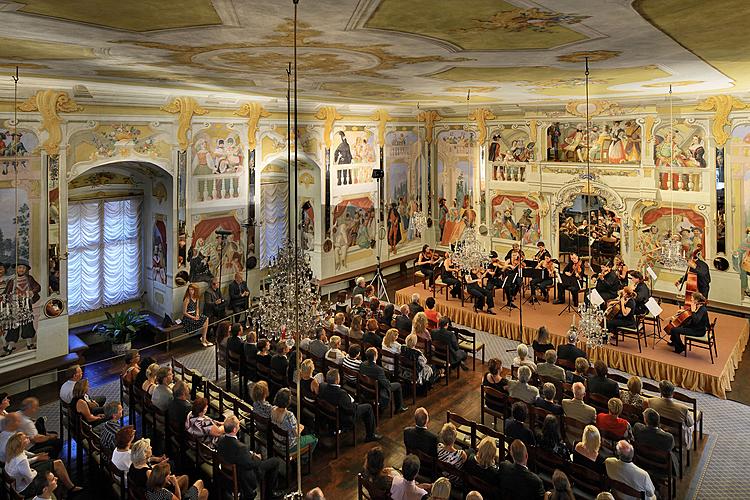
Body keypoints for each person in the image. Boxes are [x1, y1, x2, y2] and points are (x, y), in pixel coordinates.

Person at [215, 416, 284, 499]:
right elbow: (251, 464)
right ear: (234, 430)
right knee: (275, 461)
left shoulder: (221, 439)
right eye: (238, 425)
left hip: (227, 472)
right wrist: (258, 458)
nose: (239, 426)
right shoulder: (241, 447)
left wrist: (250, 455)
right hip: (243, 475)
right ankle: (271, 492)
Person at [4, 432, 81, 497]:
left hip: (20, 484)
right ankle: (70, 488)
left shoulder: (13, 451)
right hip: (27, 488)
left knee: (54, 464)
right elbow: (30, 477)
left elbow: (26, 459)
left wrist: (37, 457)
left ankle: (64, 489)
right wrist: (34, 471)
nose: (28, 437)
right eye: (25, 438)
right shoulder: (21, 460)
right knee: (58, 464)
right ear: (21, 443)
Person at [318, 369, 381, 442]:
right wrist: (355, 404)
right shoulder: (341, 393)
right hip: (344, 418)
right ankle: (370, 435)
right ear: (337, 380)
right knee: (368, 407)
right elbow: (351, 410)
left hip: (330, 416)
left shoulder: (322, 386)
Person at [360, 347, 408, 413]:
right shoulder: (379, 369)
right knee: (398, 385)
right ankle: (399, 407)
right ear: (375, 356)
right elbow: (386, 384)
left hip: (367, 389)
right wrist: (388, 381)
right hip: (377, 390)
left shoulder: (362, 364)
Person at [271, 388, 318, 455]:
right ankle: (304, 459)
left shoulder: (272, 409)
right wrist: (301, 428)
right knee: (314, 439)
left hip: (276, 442)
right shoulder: (289, 415)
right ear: (287, 401)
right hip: (290, 446)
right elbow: (297, 435)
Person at [647, 379, 694, 446]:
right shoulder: (683, 409)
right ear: (673, 393)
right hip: (677, 435)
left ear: (660, 391)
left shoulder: (651, 401)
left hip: (660, 430)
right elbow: (690, 424)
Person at [633, 408, 677, 473]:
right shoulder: (668, 437)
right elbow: (672, 447)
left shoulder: (638, 428)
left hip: (642, 460)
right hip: (661, 465)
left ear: (645, 420)